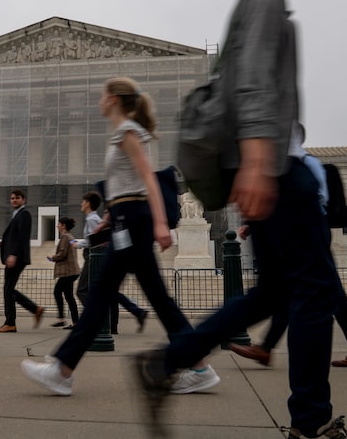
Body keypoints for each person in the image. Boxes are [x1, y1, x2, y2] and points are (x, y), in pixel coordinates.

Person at [132, 0, 347, 439]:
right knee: (315, 290)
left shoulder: (267, 5)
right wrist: (257, 163)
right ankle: (311, 422)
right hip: (278, 165)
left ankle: (164, 364)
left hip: (270, 161)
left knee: (275, 292)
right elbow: (252, 85)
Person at [20, 76, 219, 397]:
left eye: (102, 95)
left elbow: (148, 180)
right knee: (145, 299)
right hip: (128, 220)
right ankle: (198, 366)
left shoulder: (128, 132)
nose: (99, 100)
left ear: (113, 98)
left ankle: (62, 369)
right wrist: (109, 218)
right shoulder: (123, 133)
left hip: (137, 223)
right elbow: (130, 186)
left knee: (101, 298)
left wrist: (159, 223)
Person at [230, 126, 347, 368]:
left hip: (308, 233)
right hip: (310, 233)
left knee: (298, 289)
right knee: (326, 291)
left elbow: (294, 202)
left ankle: (265, 347)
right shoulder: (305, 163)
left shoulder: (302, 164)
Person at [74, 191, 147, 334]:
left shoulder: (92, 219)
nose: (81, 204)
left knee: (83, 290)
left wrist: (79, 244)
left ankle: (95, 318)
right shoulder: (94, 218)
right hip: (101, 256)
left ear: (88, 203)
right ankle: (121, 320)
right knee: (110, 291)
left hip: (96, 257)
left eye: (83, 201)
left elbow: (97, 238)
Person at [0, 189, 44, 332]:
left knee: (8, 289)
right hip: (13, 256)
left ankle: (11, 322)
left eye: (17, 198)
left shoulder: (24, 214)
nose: (14, 200)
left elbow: (22, 237)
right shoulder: (17, 215)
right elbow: (15, 237)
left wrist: (13, 254)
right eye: (12, 198)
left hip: (17, 258)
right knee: (8, 289)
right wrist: (3, 244)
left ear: (24, 200)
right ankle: (34, 309)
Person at [47, 217, 80, 329]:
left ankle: (63, 319)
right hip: (72, 271)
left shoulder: (65, 237)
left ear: (63, 226)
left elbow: (62, 254)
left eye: (59, 224)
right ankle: (74, 322)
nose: (57, 226)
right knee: (69, 296)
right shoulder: (70, 237)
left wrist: (52, 258)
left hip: (68, 272)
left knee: (58, 292)